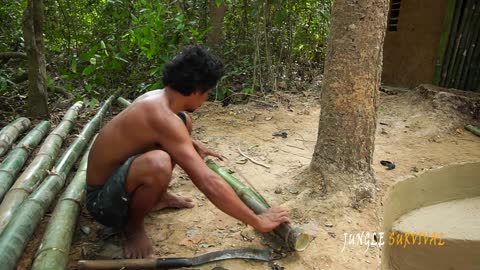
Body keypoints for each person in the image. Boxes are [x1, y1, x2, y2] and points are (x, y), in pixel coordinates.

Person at [85, 45, 289, 259]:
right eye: (208, 93)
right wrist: (257, 220)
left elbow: (163, 133)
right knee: (158, 163)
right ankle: (132, 228)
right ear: (197, 90)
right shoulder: (161, 117)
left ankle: (157, 197)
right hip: (102, 203)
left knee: (184, 120)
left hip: (120, 180)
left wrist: (191, 143)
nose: (206, 99)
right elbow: (207, 181)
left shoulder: (159, 99)